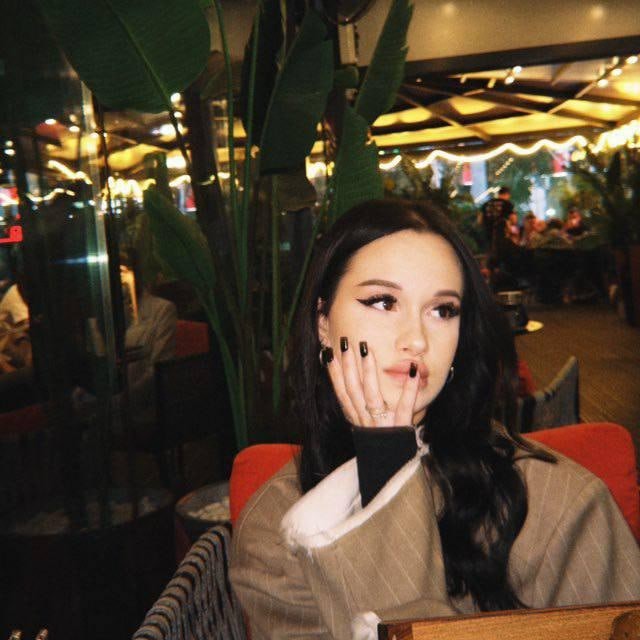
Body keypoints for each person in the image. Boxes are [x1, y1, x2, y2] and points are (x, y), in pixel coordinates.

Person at [230, 199, 640, 640]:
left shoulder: (559, 505)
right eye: (383, 301)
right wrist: (384, 468)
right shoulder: (276, 528)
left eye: (443, 310)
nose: (417, 339)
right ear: (323, 323)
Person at [479, 186, 514, 250]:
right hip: (502, 235)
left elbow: (479, 220)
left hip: (487, 234)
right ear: (507, 194)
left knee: (489, 251)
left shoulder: (486, 204)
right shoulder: (507, 204)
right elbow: (513, 220)